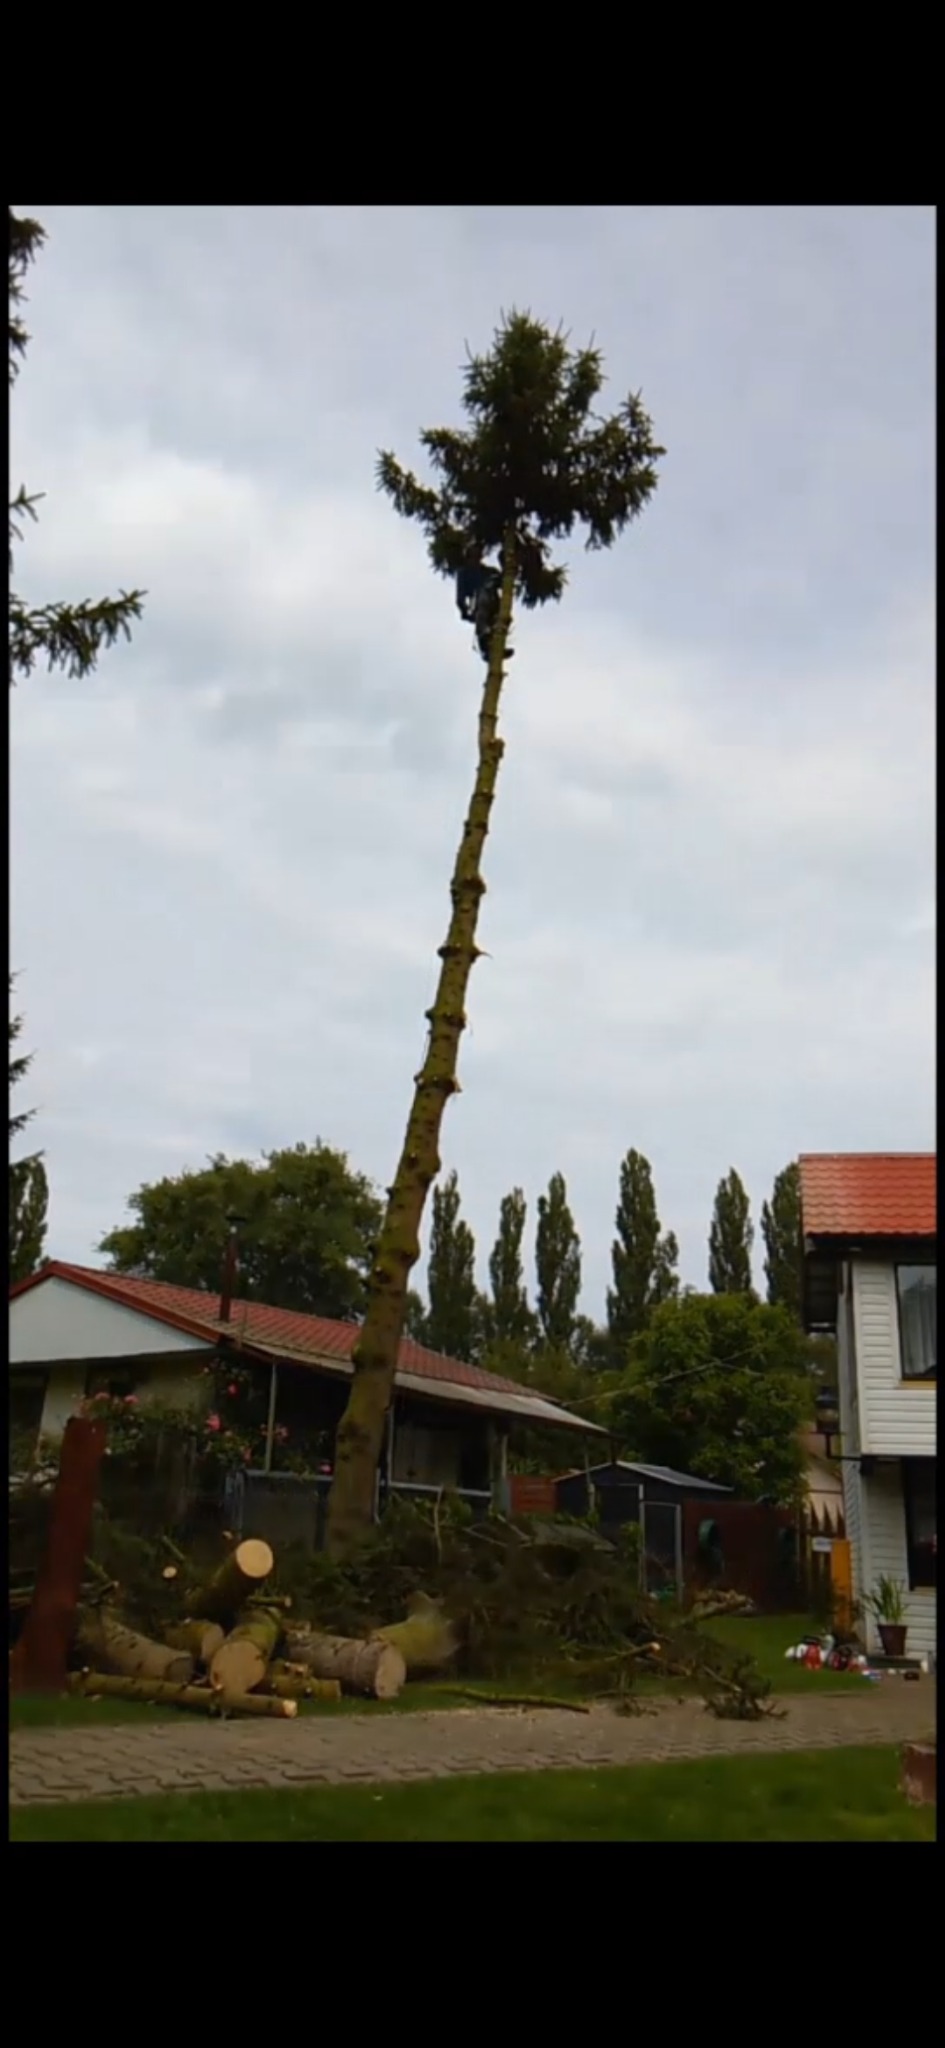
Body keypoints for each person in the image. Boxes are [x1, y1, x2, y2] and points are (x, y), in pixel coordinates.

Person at [455, 550, 514, 662]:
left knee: (502, 619)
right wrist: (465, 612)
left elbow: (504, 581)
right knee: (483, 601)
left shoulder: (488, 572)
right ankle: (485, 643)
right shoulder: (464, 573)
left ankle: (498, 646)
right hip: (479, 603)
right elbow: (460, 598)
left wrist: (505, 563)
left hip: (494, 602)